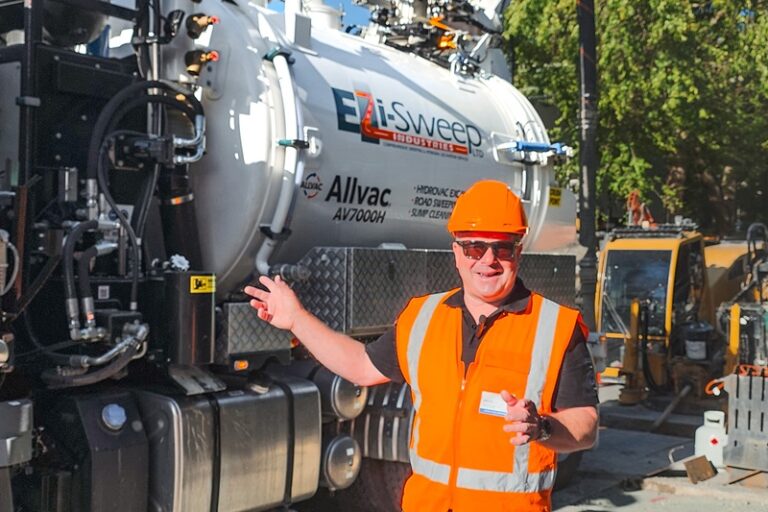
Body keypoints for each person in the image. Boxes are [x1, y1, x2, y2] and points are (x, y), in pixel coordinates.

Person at [245, 179, 598, 512]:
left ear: (517, 253)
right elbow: (360, 366)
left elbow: (586, 425)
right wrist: (296, 319)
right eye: (474, 247)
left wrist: (543, 428)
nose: (487, 260)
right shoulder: (423, 317)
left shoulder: (557, 327)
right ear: (456, 252)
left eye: (501, 248)